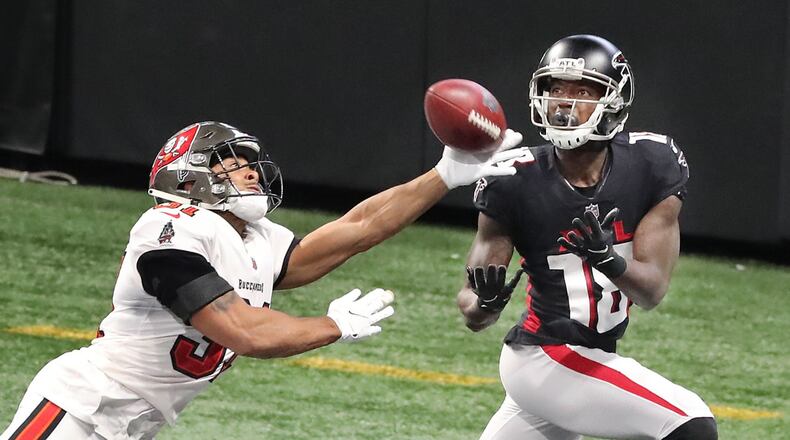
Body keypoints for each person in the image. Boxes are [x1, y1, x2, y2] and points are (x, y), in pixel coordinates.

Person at [2, 120, 524, 439]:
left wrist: (443, 175)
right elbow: (244, 332)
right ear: (186, 176)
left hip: (134, 423)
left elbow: (356, 229)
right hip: (80, 409)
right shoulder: (167, 229)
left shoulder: (255, 237)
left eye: (251, 164)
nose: (250, 172)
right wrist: (332, 325)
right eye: (229, 163)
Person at [456, 35, 717, 440]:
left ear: (613, 102)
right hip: (544, 357)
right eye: (556, 89)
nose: (563, 102)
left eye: (582, 91)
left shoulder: (652, 165)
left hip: (586, 360)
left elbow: (651, 292)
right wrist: (485, 303)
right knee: (690, 423)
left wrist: (607, 258)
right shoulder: (513, 180)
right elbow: (472, 309)